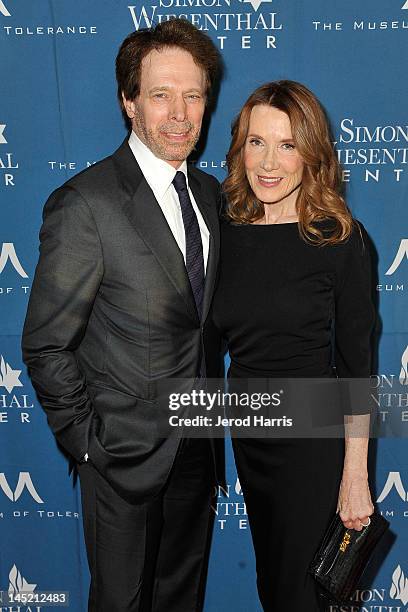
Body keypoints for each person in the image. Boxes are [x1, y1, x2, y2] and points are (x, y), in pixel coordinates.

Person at [21, 19, 223, 612]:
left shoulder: (211, 196)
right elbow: (46, 344)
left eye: (193, 95)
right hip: (120, 462)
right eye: (161, 95)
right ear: (129, 102)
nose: (180, 114)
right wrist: (90, 447)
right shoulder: (87, 204)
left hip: (197, 449)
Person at [211, 81, 375, 610]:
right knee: (273, 586)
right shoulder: (227, 227)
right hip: (251, 430)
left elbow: (357, 369)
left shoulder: (339, 238)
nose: (268, 162)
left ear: (312, 153)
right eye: (256, 142)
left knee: (301, 593)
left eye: (287, 145)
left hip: (312, 441)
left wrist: (355, 477)